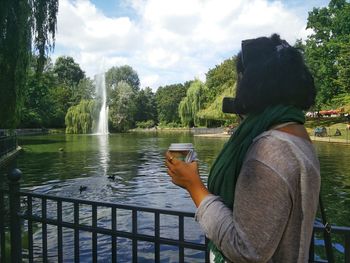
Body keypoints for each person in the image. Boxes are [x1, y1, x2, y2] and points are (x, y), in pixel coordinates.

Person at [165, 34, 320, 263]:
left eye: (240, 79)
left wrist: (194, 186)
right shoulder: (297, 137)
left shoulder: (268, 151)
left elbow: (246, 251)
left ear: (253, 84)